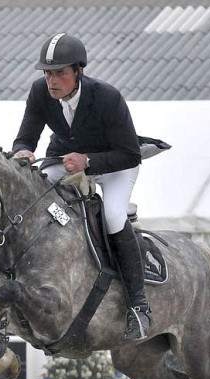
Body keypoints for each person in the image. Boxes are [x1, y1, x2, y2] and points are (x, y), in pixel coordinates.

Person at [11, 33, 148, 341]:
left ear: (79, 72)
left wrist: (88, 161)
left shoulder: (107, 98)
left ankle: (139, 305)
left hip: (115, 165)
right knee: (41, 199)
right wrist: (21, 151)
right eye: (48, 73)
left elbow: (129, 153)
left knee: (113, 216)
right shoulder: (39, 92)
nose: (52, 80)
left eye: (60, 72)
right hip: (66, 159)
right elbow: (25, 137)